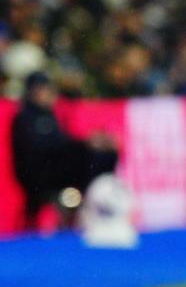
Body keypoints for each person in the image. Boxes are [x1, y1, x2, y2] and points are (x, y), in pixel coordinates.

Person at [9, 72, 118, 231]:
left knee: (103, 155)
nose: (50, 94)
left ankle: (99, 203)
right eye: (45, 89)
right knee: (87, 155)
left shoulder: (49, 115)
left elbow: (61, 143)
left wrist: (90, 143)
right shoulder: (26, 118)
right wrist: (84, 144)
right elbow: (43, 149)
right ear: (33, 91)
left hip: (54, 167)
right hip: (38, 174)